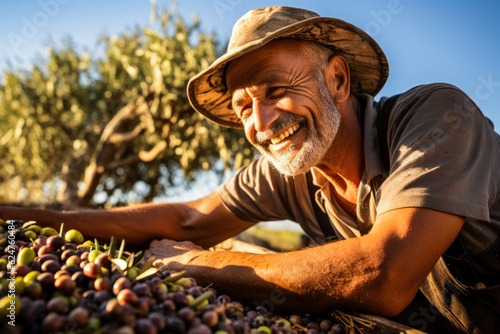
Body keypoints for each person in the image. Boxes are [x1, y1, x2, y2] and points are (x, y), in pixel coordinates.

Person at [2, 6, 499, 333]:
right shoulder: (292, 170)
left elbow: (384, 274)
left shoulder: (435, 118)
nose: (260, 124)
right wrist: (15, 217)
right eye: (243, 107)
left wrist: (198, 265)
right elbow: (186, 221)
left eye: (275, 88)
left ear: (339, 79)